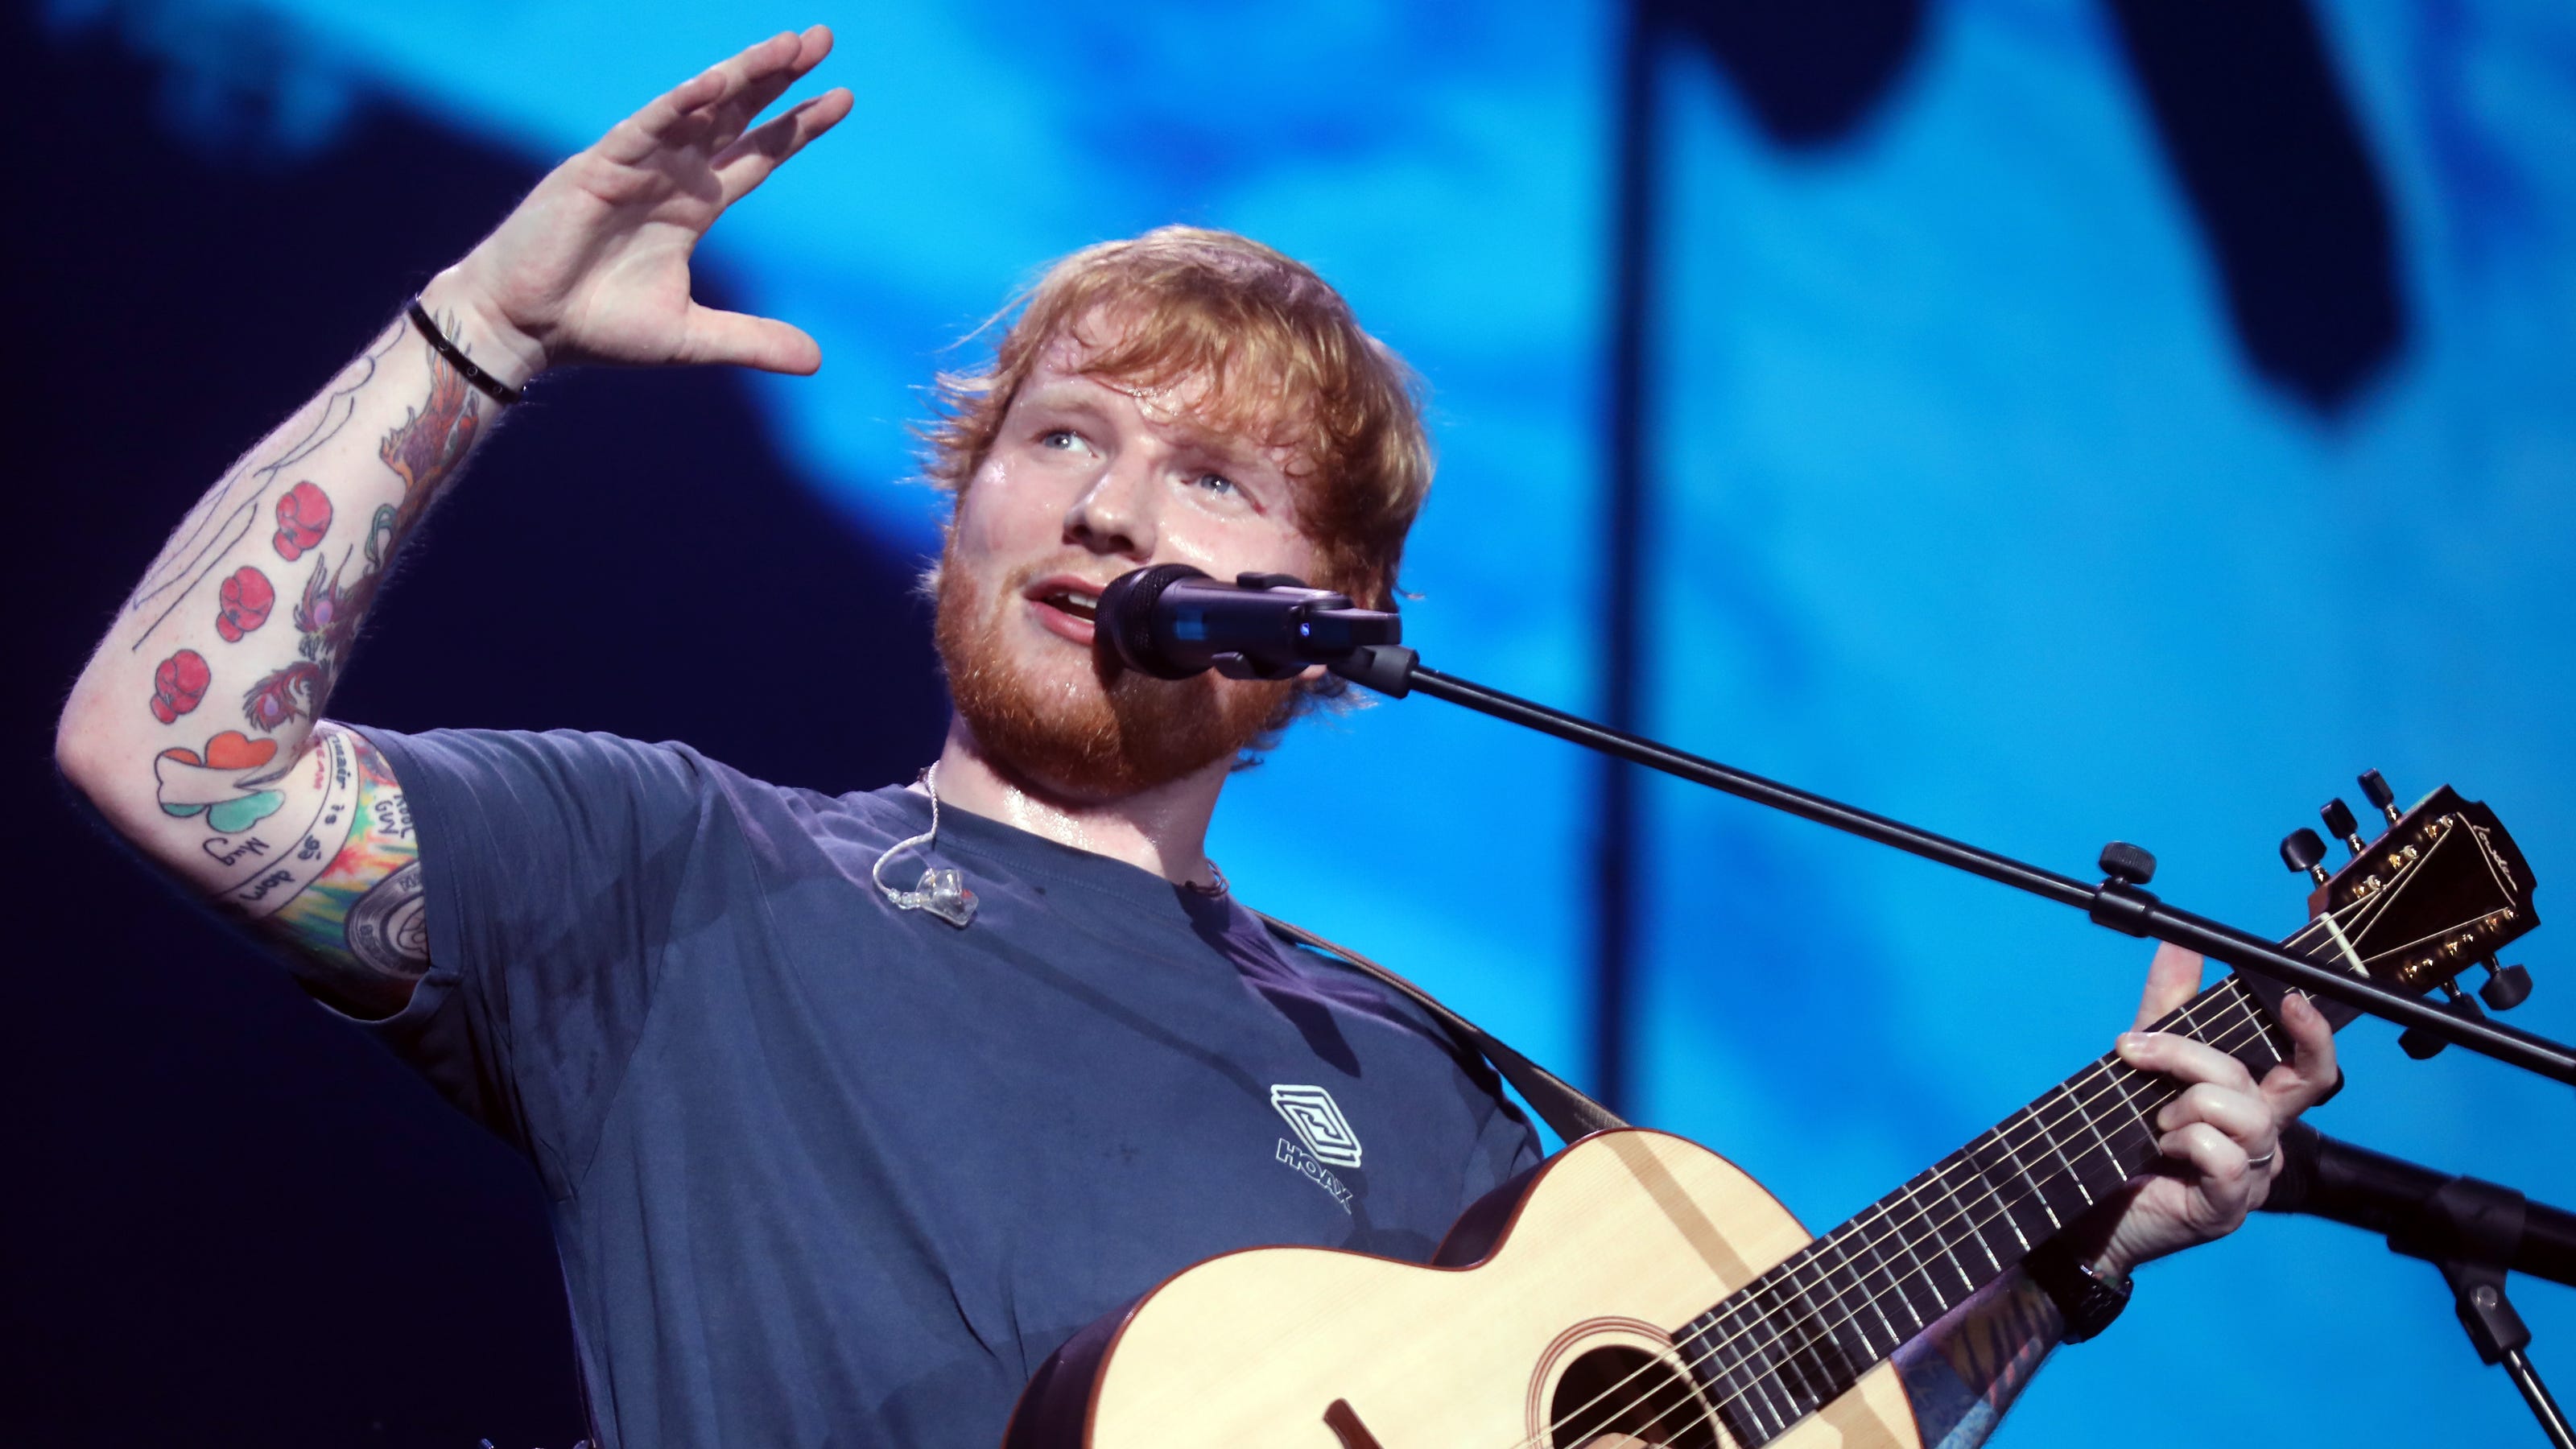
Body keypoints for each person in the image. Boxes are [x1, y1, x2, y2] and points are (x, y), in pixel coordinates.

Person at [56, 27, 2339, 1449]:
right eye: (1060, 440)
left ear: (1333, 629)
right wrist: (483, 329)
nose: (1116, 503)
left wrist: (2062, 1264)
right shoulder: (669, 870)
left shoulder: (1437, 1087)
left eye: (1212, 477)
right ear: (960, 512)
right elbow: (182, 762)